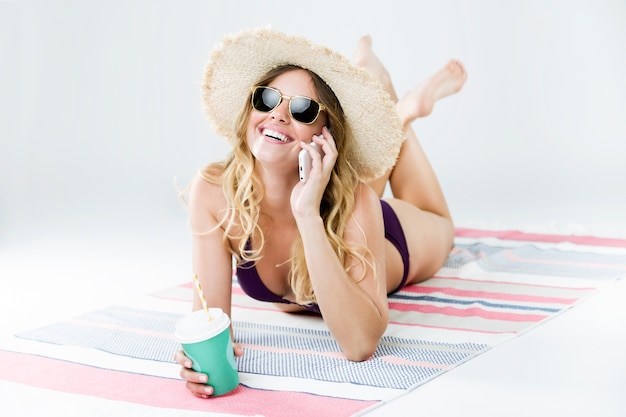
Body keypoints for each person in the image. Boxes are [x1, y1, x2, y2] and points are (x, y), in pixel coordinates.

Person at [175, 27, 467, 398]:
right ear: (251, 108)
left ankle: (403, 109)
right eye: (267, 99)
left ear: (324, 134)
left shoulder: (357, 201)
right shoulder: (215, 191)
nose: (278, 114)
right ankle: (397, 108)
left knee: (440, 223)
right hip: (337, 206)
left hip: (393, 237)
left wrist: (309, 215)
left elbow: (359, 345)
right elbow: (209, 321)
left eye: (302, 109)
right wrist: (193, 357)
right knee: (343, 197)